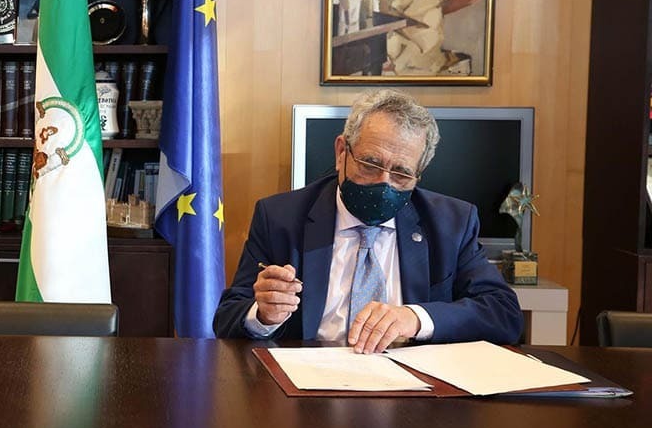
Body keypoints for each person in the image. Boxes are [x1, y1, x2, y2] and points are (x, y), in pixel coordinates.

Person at [213, 90, 521, 353]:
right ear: (341, 152)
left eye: (401, 173)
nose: (383, 183)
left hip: (414, 388)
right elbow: (227, 319)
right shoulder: (281, 217)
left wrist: (415, 318)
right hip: (310, 382)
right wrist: (264, 314)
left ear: (418, 174)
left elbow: (504, 314)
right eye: (370, 164)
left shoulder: (450, 223)